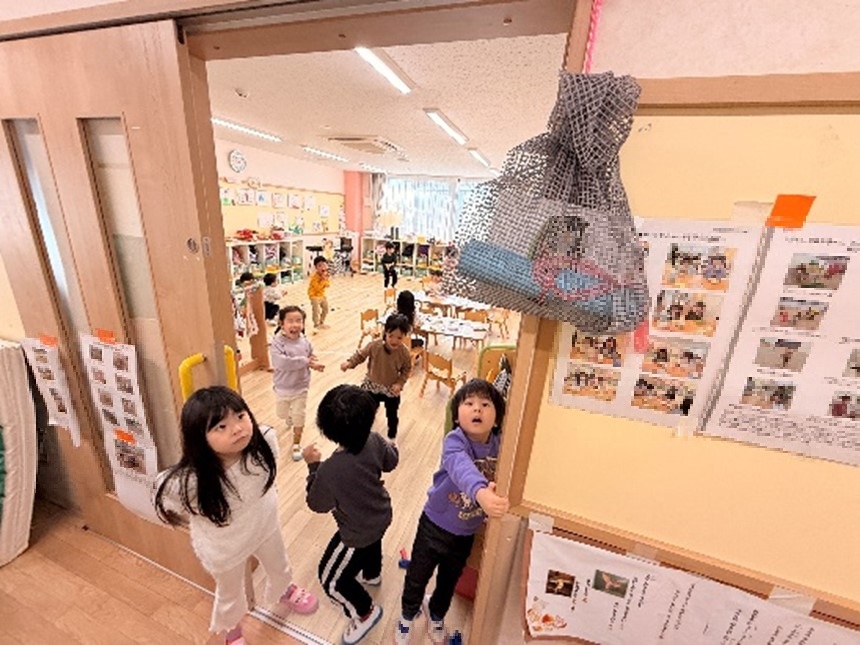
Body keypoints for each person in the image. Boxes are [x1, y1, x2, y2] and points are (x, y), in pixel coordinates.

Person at [153, 386, 318, 645]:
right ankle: (232, 628)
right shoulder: (190, 482)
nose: (238, 428)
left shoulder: (263, 445)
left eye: (240, 416)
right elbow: (165, 497)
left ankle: (283, 588)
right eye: (221, 426)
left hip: (265, 525)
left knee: (279, 563)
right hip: (225, 546)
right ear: (199, 437)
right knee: (230, 592)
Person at [394, 379, 509, 645]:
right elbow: (461, 467)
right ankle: (407, 616)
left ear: (497, 418)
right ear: (457, 415)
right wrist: (481, 493)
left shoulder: (501, 445)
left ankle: (436, 614)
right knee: (417, 576)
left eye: (485, 404)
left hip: (466, 532)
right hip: (434, 524)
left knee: (449, 581)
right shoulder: (454, 441)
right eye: (469, 403)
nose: (477, 409)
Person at [303, 384, 399, 644]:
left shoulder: (329, 470)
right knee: (373, 540)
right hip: (381, 513)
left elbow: (316, 503)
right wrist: (389, 445)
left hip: (356, 531)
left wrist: (313, 467)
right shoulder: (374, 440)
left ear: (327, 430)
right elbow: (391, 461)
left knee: (330, 579)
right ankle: (372, 574)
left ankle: (366, 613)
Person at [340, 313, 412, 439]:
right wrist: (350, 363)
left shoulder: (404, 352)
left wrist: (399, 383)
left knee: (392, 415)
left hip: (391, 389)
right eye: (391, 336)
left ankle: (392, 437)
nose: (394, 341)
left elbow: (406, 370)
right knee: (366, 411)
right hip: (372, 385)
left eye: (399, 338)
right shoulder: (375, 345)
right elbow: (361, 355)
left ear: (405, 336)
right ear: (385, 332)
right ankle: (364, 433)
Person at [270, 306, 325, 461]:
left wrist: (314, 363)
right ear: (282, 324)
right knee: (281, 414)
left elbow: (310, 357)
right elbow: (282, 363)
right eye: (290, 321)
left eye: (299, 321)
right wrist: (305, 361)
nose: (295, 325)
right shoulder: (277, 343)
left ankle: (296, 444)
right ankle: (288, 416)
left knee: (299, 416)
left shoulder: (305, 341)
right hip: (282, 387)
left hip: (301, 387)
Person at [307, 256, 331, 331]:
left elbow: (328, 285)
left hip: (322, 295)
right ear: (316, 268)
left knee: (326, 309)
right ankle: (316, 324)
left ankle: (321, 322)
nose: (322, 267)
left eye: (323, 265)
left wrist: (325, 278)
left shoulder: (325, 275)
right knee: (316, 310)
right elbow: (317, 288)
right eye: (319, 266)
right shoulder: (314, 277)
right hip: (314, 295)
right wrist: (323, 280)